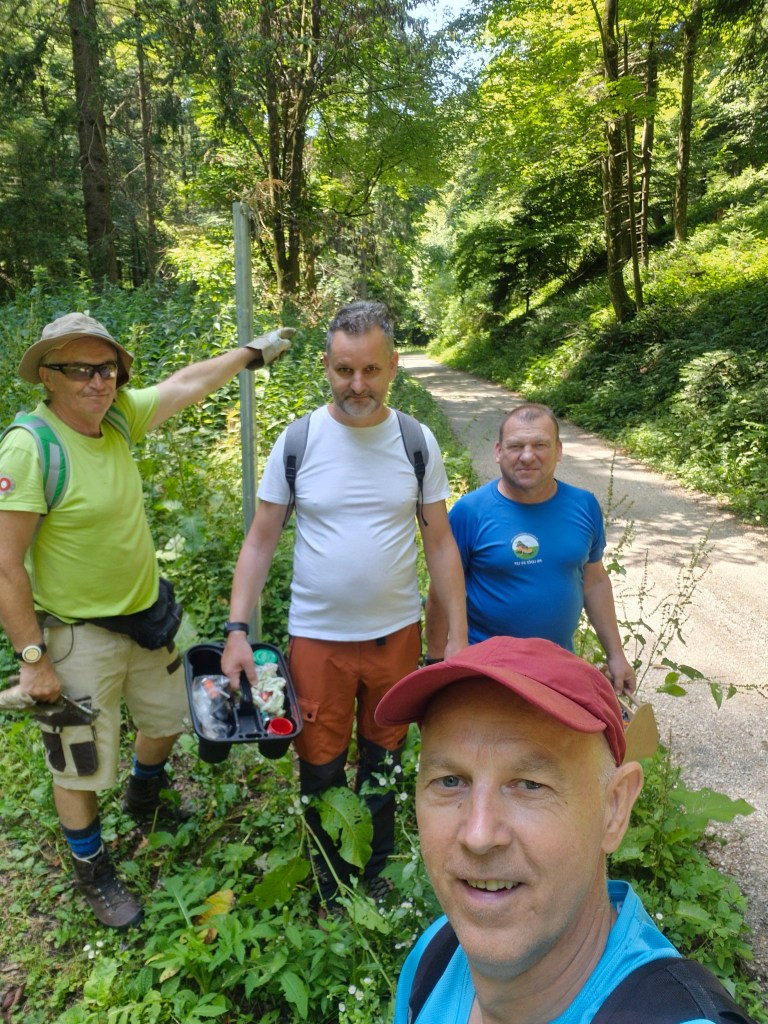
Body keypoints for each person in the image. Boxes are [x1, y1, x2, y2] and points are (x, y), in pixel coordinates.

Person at [0, 311, 293, 930]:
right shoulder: (31, 447)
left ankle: (145, 793)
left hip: (148, 618)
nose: (97, 381)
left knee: (168, 719)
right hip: (79, 635)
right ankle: (93, 868)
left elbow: (187, 383)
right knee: (77, 761)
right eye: (79, 369)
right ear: (47, 376)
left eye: (107, 368)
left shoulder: (116, 418)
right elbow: (5, 566)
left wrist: (251, 352)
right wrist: (33, 660)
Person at [221, 299, 467, 904]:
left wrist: (456, 638)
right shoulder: (299, 440)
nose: (358, 385)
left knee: (385, 758)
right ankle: (329, 877)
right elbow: (259, 541)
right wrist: (236, 631)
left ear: (394, 365)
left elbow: (440, 544)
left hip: (395, 637)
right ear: (326, 366)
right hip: (317, 640)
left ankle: (373, 871)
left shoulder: (415, 441)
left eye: (371, 370)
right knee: (320, 762)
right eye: (344, 370)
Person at [375, 636, 755, 1024]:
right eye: (450, 781)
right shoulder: (434, 958)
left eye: (530, 784)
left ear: (615, 808)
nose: (478, 834)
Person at [425, 403, 635, 694]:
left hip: (558, 671)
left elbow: (595, 581)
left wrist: (616, 654)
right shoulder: (470, 512)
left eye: (540, 445)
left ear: (558, 451)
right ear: (498, 451)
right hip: (484, 672)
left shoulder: (584, 505)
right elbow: (440, 592)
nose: (527, 456)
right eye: (516, 446)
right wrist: (435, 661)